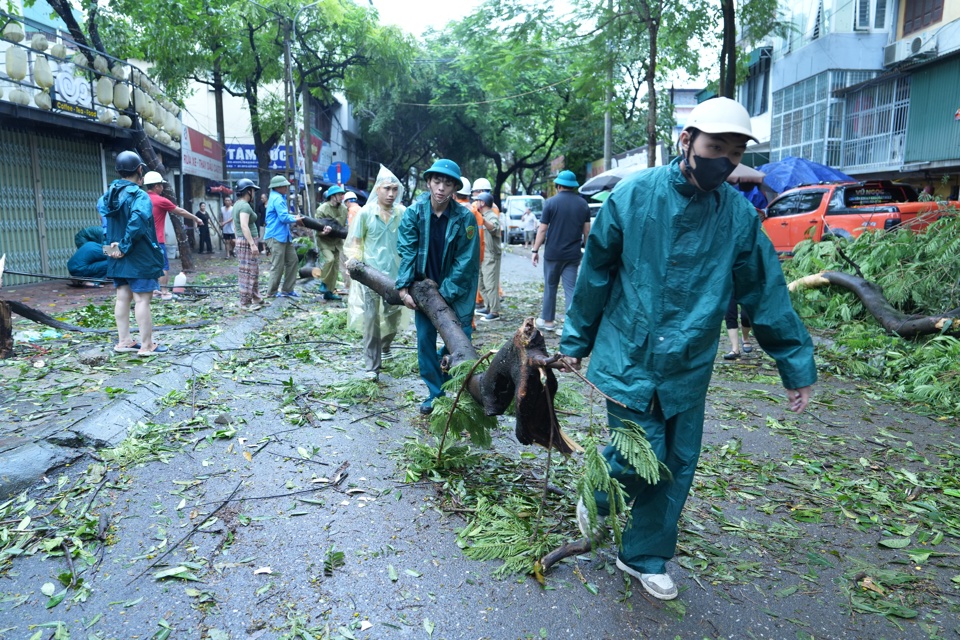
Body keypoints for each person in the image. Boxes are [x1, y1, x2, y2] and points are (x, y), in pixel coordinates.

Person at [559, 97, 816, 600]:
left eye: (735, 152)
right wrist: (575, 340)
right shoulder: (634, 198)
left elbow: (765, 291)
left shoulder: (739, 219)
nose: (725, 160)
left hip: (689, 365)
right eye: (716, 147)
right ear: (687, 142)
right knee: (641, 453)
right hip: (630, 353)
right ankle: (598, 491)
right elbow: (595, 273)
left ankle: (643, 556)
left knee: (676, 465)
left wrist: (794, 363)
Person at [396, 159, 480, 415]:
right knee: (424, 341)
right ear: (429, 182)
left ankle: (447, 374)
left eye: (447, 183)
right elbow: (407, 250)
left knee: (462, 339)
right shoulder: (414, 213)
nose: (441, 188)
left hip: (457, 290)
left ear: (455, 187)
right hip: (423, 291)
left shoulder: (465, 217)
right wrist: (404, 287)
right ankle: (436, 393)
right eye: (437, 181)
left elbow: (466, 261)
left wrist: (445, 294)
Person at [100, 150, 166, 357]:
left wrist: (111, 249)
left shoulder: (107, 196)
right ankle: (147, 345)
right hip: (138, 255)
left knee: (122, 297)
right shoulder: (139, 196)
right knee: (142, 299)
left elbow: (105, 226)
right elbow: (137, 223)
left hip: (116, 255)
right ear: (140, 170)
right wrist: (125, 246)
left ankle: (124, 341)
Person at [346, 166, 406, 381]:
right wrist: (356, 264)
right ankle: (373, 365)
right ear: (377, 189)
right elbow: (356, 242)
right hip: (371, 276)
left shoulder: (402, 213)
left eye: (395, 189)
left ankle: (386, 345)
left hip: (396, 277)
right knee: (371, 319)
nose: (391, 194)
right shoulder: (365, 213)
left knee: (393, 317)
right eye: (387, 189)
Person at [530, 170, 591, 332]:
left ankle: (548, 322)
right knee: (570, 288)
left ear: (558, 185)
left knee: (551, 286)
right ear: (573, 187)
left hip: (553, 254)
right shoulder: (583, 204)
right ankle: (569, 326)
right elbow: (587, 232)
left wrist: (535, 250)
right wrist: (589, 252)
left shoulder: (550, 203)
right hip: (573, 254)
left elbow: (542, 230)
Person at [142, 171, 204, 300]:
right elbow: (179, 211)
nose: (162, 188)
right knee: (163, 266)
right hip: (157, 240)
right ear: (156, 186)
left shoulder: (141, 198)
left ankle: (153, 290)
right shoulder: (161, 200)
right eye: (161, 185)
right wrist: (196, 218)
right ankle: (164, 291)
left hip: (143, 240)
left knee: (148, 266)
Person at [264, 175, 303, 298]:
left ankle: (287, 289)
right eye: (285, 185)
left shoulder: (279, 197)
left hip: (284, 236)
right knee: (278, 265)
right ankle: (272, 292)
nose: (287, 187)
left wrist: (294, 217)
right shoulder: (277, 199)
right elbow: (284, 217)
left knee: (293, 260)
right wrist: (296, 219)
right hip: (276, 236)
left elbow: (284, 216)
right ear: (278, 187)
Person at [233, 178, 266, 311]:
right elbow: (244, 226)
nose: (254, 193)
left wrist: (238, 239)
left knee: (251, 270)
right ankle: (244, 301)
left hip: (243, 240)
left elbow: (236, 227)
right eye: (252, 190)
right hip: (247, 241)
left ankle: (256, 297)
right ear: (248, 191)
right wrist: (252, 244)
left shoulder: (237, 205)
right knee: (248, 272)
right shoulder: (244, 206)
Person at [315, 185, 349, 301]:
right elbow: (317, 228)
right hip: (324, 241)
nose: (341, 197)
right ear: (332, 196)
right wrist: (323, 232)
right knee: (329, 260)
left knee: (335, 268)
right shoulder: (322, 209)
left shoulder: (344, 209)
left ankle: (329, 292)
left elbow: (342, 226)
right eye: (339, 195)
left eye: (342, 194)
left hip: (337, 241)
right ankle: (323, 283)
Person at [474, 192, 502, 321]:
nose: (476, 203)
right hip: (482, 254)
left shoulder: (491, 216)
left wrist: (483, 220)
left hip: (491, 255)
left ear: (483, 203)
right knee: (482, 283)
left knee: (491, 284)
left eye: (478, 201)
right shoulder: (482, 215)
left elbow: (494, 228)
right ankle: (488, 306)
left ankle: (495, 311)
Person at [723, 295, 753, 360]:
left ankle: (745, 338)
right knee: (730, 314)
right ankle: (735, 349)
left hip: (747, 286)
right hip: (729, 286)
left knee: (746, 316)